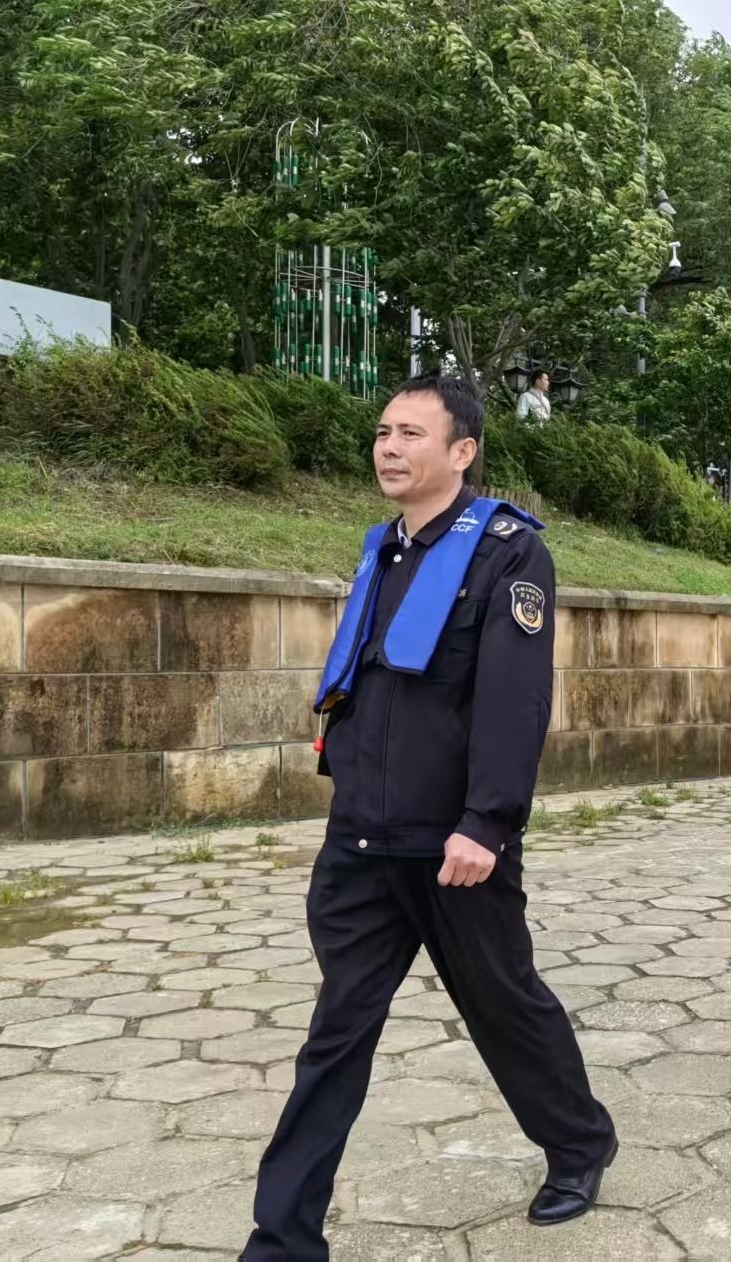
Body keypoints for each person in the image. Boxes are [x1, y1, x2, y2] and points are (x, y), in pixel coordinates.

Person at [243, 374, 615, 1260]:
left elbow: (514, 700)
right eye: (383, 431)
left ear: (463, 450)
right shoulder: (381, 550)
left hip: (454, 845)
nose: (389, 446)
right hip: (362, 841)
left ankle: (579, 1142)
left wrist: (488, 822)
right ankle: (282, 1238)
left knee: (504, 1003)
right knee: (335, 1036)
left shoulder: (508, 554)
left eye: (412, 433)